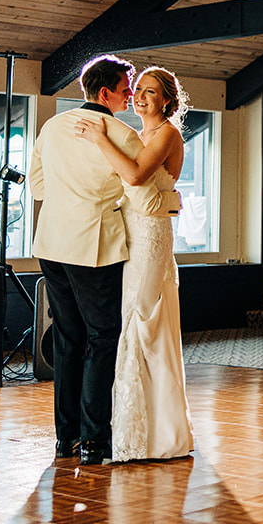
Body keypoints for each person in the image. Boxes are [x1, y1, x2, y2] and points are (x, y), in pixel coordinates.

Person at [29, 55, 163, 466]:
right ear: (105, 93)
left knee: (68, 340)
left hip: (51, 243)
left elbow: (36, 188)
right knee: (102, 339)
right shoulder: (121, 134)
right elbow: (139, 188)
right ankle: (94, 442)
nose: (131, 95)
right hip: (94, 246)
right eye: (126, 89)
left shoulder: (50, 127)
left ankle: (64, 440)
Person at [77, 65, 193, 462]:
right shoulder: (141, 135)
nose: (140, 96)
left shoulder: (166, 135)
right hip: (130, 234)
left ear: (166, 100)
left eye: (150, 91)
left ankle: (147, 435)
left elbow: (136, 175)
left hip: (150, 239)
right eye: (137, 89)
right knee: (132, 318)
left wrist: (98, 136)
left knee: (141, 319)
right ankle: (130, 427)